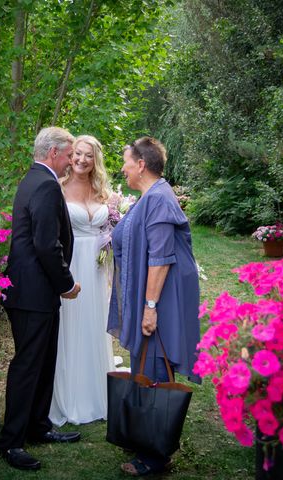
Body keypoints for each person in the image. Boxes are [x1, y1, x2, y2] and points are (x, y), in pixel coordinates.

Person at [107, 136, 200, 477]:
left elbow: (160, 259)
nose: (124, 167)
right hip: (152, 297)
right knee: (145, 364)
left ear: (142, 164)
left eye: (127, 162)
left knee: (157, 366)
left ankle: (155, 455)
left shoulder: (159, 198)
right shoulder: (150, 196)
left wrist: (149, 307)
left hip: (160, 299)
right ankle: (144, 434)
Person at [0, 126, 83, 471]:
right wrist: (66, 283)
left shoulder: (33, 179)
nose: (70, 161)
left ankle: (38, 426)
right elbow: (47, 244)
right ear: (53, 153)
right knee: (28, 366)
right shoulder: (46, 184)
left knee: (44, 361)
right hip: (34, 292)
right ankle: (11, 442)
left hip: (34, 291)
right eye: (68, 154)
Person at [49, 135, 116, 426]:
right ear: (70, 155)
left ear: (95, 160)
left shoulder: (105, 194)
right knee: (71, 325)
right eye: (77, 153)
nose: (81, 160)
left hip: (98, 267)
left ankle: (97, 393)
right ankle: (71, 395)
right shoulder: (58, 189)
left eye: (88, 155)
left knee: (95, 325)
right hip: (72, 263)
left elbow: (111, 230)